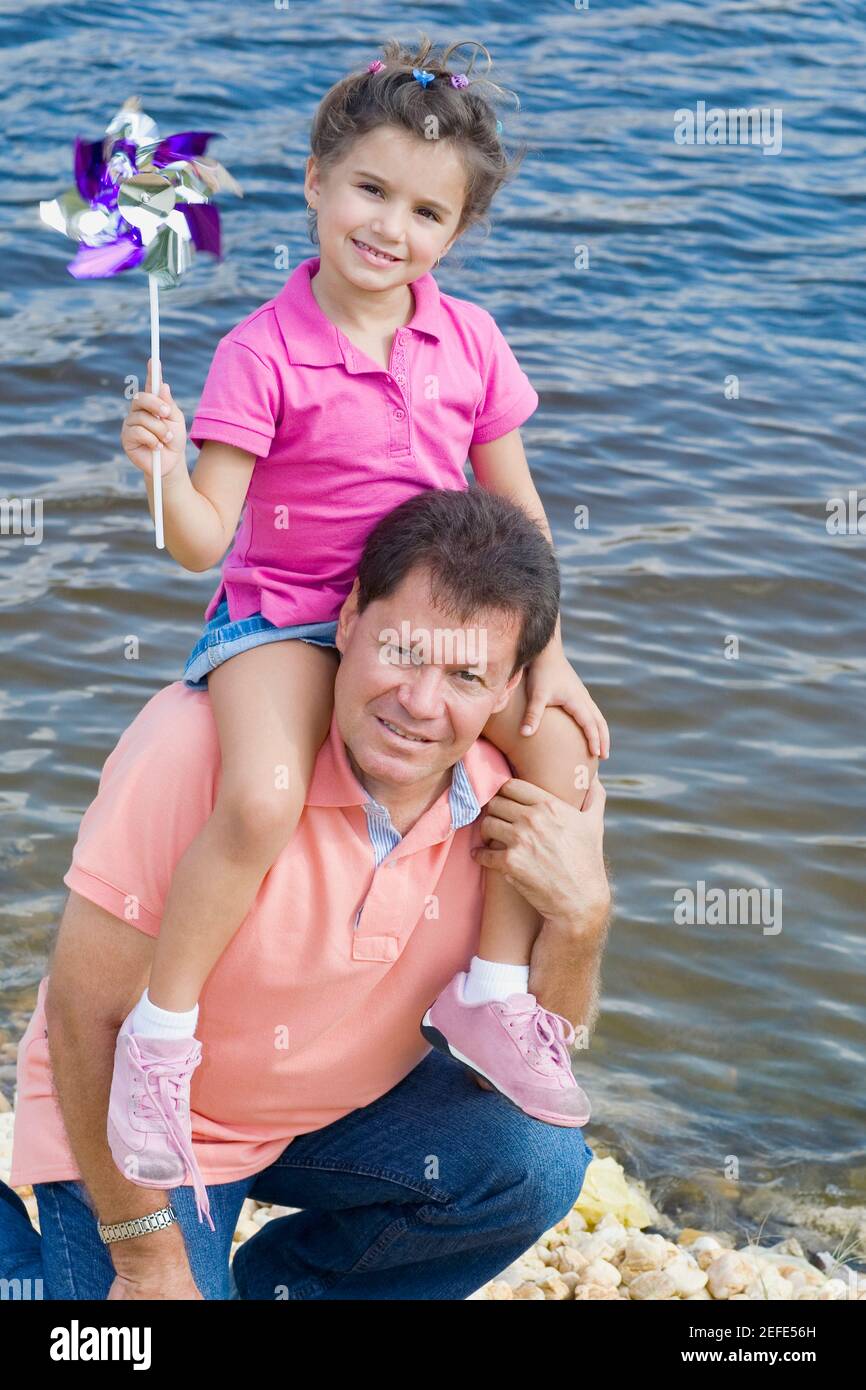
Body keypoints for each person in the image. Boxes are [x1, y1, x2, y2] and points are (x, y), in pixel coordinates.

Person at [115, 34, 610, 1222]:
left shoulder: (469, 342)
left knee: (563, 758)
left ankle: (491, 990)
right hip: (287, 624)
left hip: (434, 627)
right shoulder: (260, 353)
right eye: (370, 190)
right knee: (264, 794)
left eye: (426, 210)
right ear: (316, 183)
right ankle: (158, 1032)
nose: (390, 226)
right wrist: (163, 464)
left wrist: (550, 653)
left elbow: (517, 514)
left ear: (455, 232)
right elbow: (201, 538)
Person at [1, 488, 611, 1299]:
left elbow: (528, 1065)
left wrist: (583, 919)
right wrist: (147, 1258)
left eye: (466, 674)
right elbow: (86, 1019)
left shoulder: (514, 806)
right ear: (351, 619)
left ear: (507, 691)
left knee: (536, 1163)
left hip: (327, 1121)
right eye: (403, 651)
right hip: (140, 1128)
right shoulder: (204, 755)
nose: (421, 705)